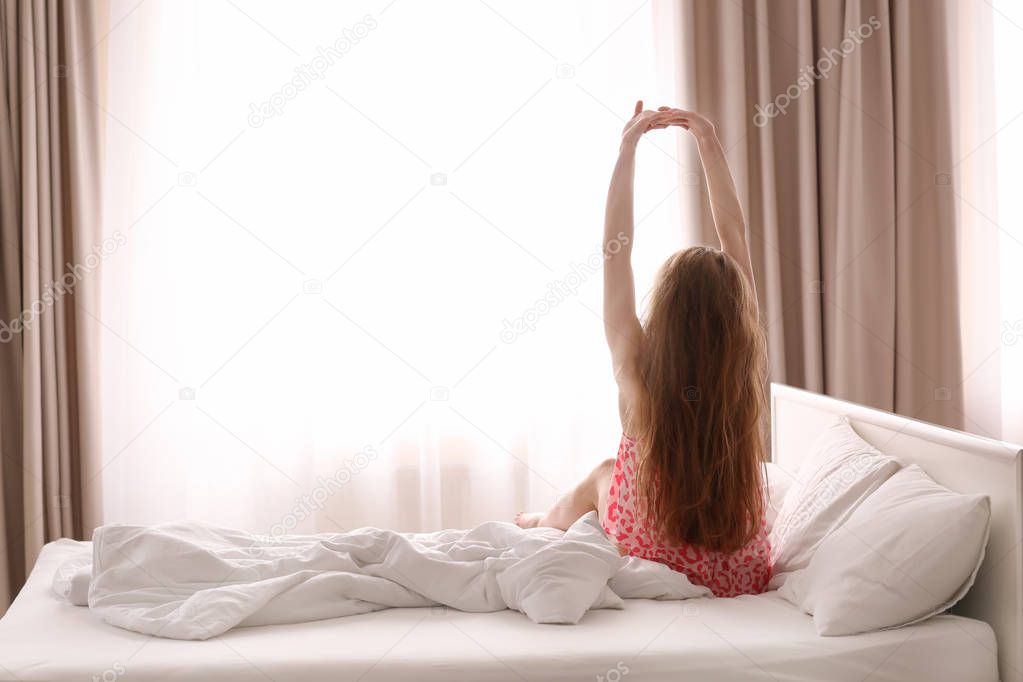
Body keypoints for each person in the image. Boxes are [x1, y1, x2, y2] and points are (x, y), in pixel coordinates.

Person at [515, 102, 771, 597]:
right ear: (735, 318)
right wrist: (708, 140)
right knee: (609, 473)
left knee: (603, 475)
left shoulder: (636, 372)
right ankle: (540, 521)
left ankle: (541, 523)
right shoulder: (742, 368)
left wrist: (628, 148)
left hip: (656, 556)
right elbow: (734, 233)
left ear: (667, 312)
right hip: (739, 571)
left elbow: (617, 249)